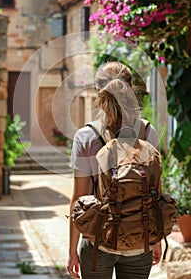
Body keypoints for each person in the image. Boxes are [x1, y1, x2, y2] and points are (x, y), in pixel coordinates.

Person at [67, 61, 162, 279]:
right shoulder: (148, 131)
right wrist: (155, 239)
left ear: (98, 92)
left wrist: (72, 250)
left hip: (97, 240)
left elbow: (78, 199)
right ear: (131, 88)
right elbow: (155, 190)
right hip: (140, 241)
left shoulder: (86, 136)